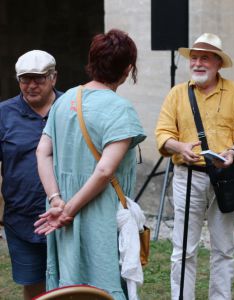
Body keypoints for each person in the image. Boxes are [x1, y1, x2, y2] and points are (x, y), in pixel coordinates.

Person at [34, 29, 146, 299]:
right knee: (101, 288)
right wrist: (68, 210)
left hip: (62, 212)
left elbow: (42, 152)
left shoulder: (65, 100)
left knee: (69, 289)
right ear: (128, 68)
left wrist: (57, 200)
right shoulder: (121, 109)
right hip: (100, 214)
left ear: (92, 61)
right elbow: (105, 170)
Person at [155, 32, 234, 300]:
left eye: (205, 58)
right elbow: (163, 135)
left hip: (227, 177)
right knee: (184, 248)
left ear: (218, 63)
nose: (198, 63)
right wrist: (180, 147)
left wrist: (233, 150)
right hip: (188, 176)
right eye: (195, 58)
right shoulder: (177, 94)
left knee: (223, 248)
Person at [0, 50, 61, 300]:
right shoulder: (4, 114)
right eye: (26, 79)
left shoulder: (70, 107)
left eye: (39, 78)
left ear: (53, 78)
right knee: (33, 285)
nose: (32, 85)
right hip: (22, 219)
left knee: (70, 282)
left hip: (65, 215)